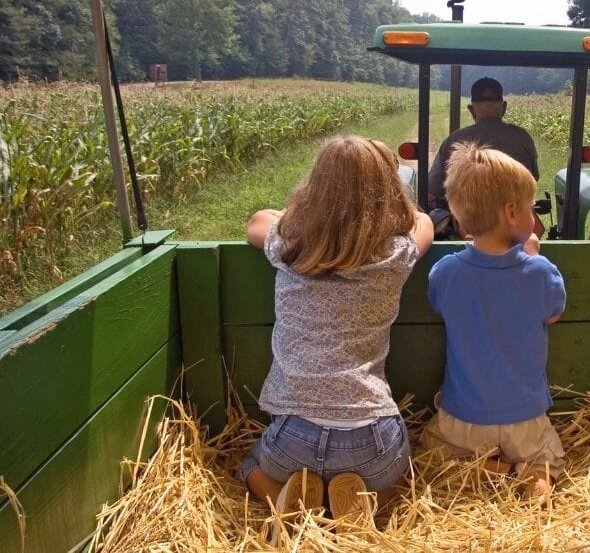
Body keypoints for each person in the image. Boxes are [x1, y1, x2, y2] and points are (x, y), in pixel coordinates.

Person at [241, 136, 434, 537]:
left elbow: (257, 221)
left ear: (315, 189)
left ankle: (282, 498)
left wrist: (305, 216)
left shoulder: (290, 245)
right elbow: (424, 222)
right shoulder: (396, 255)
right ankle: (358, 506)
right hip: (372, 439)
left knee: (249, 465)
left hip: (292, 437)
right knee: (400, 480)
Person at [422, 143, 566, 503]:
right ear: (511, 212)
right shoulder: (540, 272)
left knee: (432, 449)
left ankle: (494, 471)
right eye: (531, 208)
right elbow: (554, 313)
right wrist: (534, 256)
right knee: (546, 458)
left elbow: (440, 304)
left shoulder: (446, 272)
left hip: (465, 419)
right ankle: (532, 475)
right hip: (526, 418)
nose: (533, 216)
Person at [427, 77, 539, 202]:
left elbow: (432, 191)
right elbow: (534, 177)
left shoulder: (455, 140)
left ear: (471, 110)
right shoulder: (522, 137)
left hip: (468, 218)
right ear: (504, 107)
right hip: (516, 215)